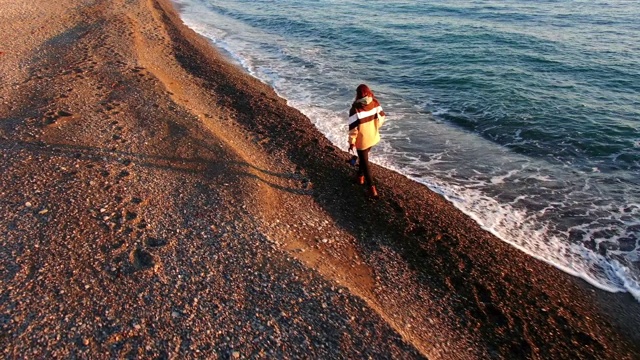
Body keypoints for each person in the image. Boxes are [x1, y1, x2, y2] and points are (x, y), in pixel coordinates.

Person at [348, 84, 386, 199]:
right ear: (368, 92)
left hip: (362, 140)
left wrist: (351, 142)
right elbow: (382, 117)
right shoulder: (375, 102)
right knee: (363, 159)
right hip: (373, 137)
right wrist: (374, 127)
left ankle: (372, 189)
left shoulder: (355, 109)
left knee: (365, 164)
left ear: (358, 95)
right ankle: (360, 177)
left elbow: (353, 129)